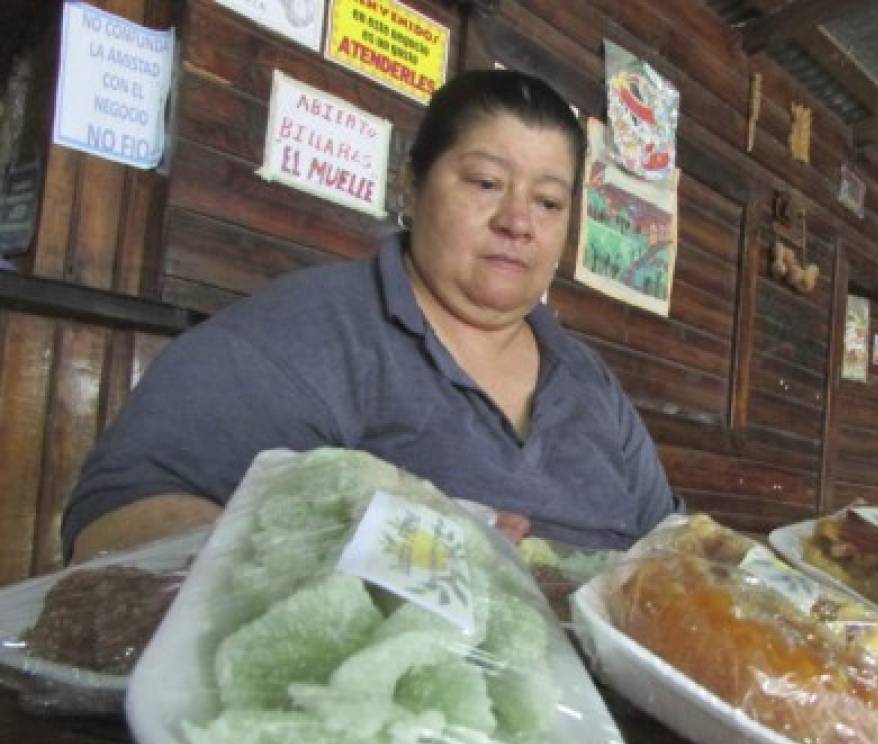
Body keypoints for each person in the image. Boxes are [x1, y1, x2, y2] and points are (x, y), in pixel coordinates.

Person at [63, 69, 680, 561]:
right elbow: (113, 522)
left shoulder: (589, 382)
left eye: (548, 202)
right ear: (411, 187)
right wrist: (339, 558)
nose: (518, 222)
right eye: (486, 183)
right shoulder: (315, 331)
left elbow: (669, 549)